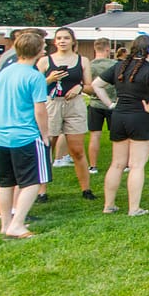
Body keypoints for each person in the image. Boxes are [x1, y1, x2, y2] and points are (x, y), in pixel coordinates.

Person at [91, 33, 149, 216]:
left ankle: (109, 205)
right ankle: (134, 208)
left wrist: (109, 104)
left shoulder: (119, 66)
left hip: (119, 116)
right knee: (137, 165)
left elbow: (96, 84)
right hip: (140, 117)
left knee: (116, 164)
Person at [0, 31, 52, 238]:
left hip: (3, 135)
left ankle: (6, 224)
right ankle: (17, 224)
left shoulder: (5, 72)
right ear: (37, 50)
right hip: (27, 135)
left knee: (6, 182)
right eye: (43, 45)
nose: (45, 48)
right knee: (32, 181)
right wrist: (45, 135)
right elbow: (40, 110)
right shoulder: (35, 76)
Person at [36, 27, 95, 201]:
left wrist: (80, 87)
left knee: (77, 150)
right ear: (54, 42)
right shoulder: (45, 61)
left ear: (73, 41)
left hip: (74, 105)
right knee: (47, 147)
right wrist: (49, 79)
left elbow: (91, 87)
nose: (62, 41)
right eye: (59, 38)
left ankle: (86, 189)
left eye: (66, 38)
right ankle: (42, 191)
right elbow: (35, 88)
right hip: (52, 104)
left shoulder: (82, 61)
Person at [86, 38, 118, 175]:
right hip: (113, 104)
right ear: (108, 49)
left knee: (95, 136)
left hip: (95, 104)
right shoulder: (115, 65)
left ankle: (93, 166)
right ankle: (119, 163)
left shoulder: (89, 66)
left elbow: (86, 86)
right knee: (117, 137)